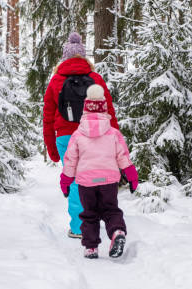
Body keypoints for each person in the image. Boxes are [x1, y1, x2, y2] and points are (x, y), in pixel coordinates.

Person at [42, 32, 119, 238]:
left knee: (75, 180)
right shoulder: (95, 79)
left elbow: (48, 119)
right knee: (97, 178)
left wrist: (51, 149)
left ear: (65, 58)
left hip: (65, 137)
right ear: (84, 58)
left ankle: (79, 227)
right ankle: (99, 220)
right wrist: (115, 141)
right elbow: (109, 112)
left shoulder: (56, 81)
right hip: (94, 136)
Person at [59, 84, 139, 259]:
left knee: (89, 214)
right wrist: (132, 177)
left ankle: (91, 247)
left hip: (86, 183)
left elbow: (70, 161)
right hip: (109, 181)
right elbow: (123, 157)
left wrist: (65, 183)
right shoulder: (113, 133)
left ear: (85, 111)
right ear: (104, 111)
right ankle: (117, 231)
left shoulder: (77, 135)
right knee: (111, 210)